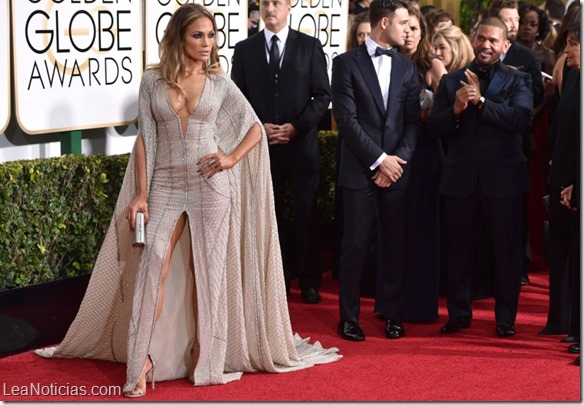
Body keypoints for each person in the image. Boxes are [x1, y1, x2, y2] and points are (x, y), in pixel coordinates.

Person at [35, 4, 341, 397]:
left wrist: (229, 158)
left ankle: (207, 358)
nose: (207, 44)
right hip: (163, 185)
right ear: (179, 37)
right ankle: (139, 361)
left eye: (212, 36)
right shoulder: (152, 82)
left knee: (209, 273)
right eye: (198, 35)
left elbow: (253, 129)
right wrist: (141, 194)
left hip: (210, 186)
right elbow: (145, 140)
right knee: (152, 270)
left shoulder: (218, 81)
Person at [429, 16, 532, 337]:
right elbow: (435, 128)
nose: (486, 45)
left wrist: (482, 102)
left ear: (505, 45)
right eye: (482, 38)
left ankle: (505, 319)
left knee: (505, 251)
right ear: (473, 39)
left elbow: (521, 119)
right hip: (460, 180)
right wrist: (457, 110)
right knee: (458, 251)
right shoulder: (451, 81)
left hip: (504, 181)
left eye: (493, 41)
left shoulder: (520, 80)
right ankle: (459, 313)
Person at [331, 0, 421, 342]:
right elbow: (347, 121)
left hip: (397, 171)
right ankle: (349, 319)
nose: (408, 30)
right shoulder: (345, 64)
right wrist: (378, 159)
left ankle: (393, 315)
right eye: (403, 23)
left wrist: (395, 162)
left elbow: (412, 122)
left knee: (394, 246)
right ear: (385, 23)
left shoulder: (408, 69)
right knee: (354, 245)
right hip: (359, 170)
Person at [231, 0, 331, 304]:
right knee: (268, 215)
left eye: (277, 3)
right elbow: (237, 98)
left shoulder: (310, 47)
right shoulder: (244, 49)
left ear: (289, 7)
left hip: (301, 147)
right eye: (265, 3)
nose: (270, 8)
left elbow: (322, 95)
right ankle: (276, 279)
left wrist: (296, 127)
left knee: (306, 213)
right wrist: (260, 127)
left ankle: (309, 280)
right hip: (261, 147)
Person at [399, 5, 447, 322]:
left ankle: (421, 305)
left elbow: (444, 113)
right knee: (395, 230)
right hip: (395, 155)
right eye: (404, 26)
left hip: (427, 156)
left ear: (423, 33)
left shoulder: (433, 66)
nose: (409, 33)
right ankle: (392, 302)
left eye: (415, 28)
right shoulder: (385, 64)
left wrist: (420, 115)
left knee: (423, 230)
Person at [547, 16, 580, 365]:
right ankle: (575, 327)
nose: (567, 48)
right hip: (567, 179)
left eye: (572, 43)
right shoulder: (572, 76)